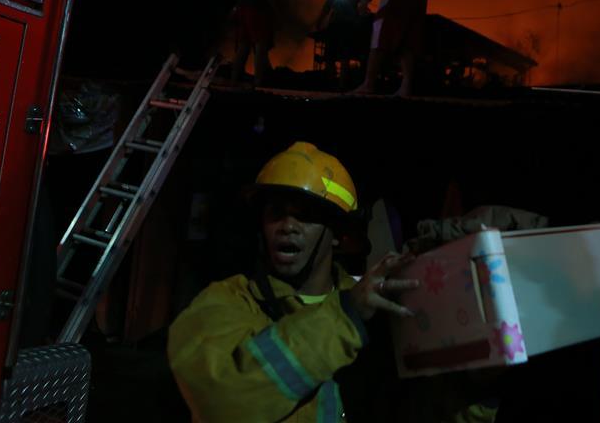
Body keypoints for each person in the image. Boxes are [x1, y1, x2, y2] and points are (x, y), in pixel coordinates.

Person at [167, 142, 498, 422]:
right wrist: (347, 315)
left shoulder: (375, 316)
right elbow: (222, 401)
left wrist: (479, 388)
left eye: (305, 215)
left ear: (338, 235)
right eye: (276, 213)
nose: (288, 226)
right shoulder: (225, 303)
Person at [313, 0, 371, 87]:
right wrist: (321, 18)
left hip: (351, 20)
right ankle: (330, 84)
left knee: (345, 54)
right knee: (330, 55)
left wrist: (364, 0)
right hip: (336, 20)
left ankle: (343, 85)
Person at [230, 0, 279, 87]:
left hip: (243, 10)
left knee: (244, 45)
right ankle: (258, 81)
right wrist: (275, 10)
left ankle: (234, 79)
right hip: (258, 10)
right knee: (260, 45)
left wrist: (238, 9)